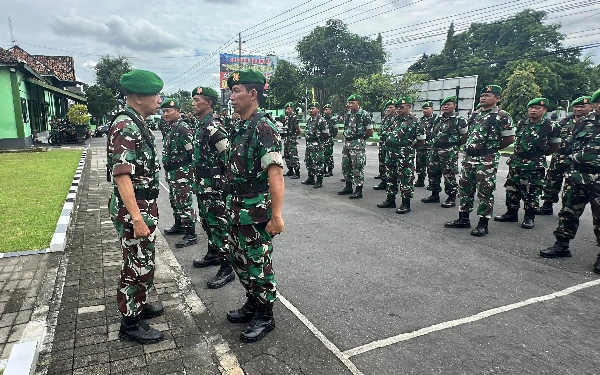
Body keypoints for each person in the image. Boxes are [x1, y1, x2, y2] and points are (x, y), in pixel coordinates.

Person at [225, 69, 285, 342]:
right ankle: (253, 301)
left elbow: (275, 174)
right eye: (231, 91)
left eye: (237, 91)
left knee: (258, 263)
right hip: (237, 205)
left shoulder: (264, 127)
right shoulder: (241, 125)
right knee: (239, 261)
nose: (232, 96)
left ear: (253, 94)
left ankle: (265, 313)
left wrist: (276, 216)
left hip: (256, 209)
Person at [107, 69, 164, 344]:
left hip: (144, 206)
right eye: (155, 94)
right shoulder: (125, 126)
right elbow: (121, 174)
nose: (160, 99)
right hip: (136, 210)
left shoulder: (136, 121)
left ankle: (138, 305)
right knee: (136, 263)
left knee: (145, 260)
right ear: (139, 97)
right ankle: (130, 322)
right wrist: (137, 218)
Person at [540, 88, 600, 274]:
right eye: (598, 103)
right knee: (568, 211)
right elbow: (568, 143)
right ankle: (562, 244)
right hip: (577, 175)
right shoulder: (584, 122)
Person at [444, 85, 514, 237]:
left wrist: (490, 149)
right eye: (482, 95)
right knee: (465, 188)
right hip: (470, 157)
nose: (483, 97)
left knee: (485, 190)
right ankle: (463, 218)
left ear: (497, 98)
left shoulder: (502, 115)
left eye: (488, 95)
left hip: (486, 159)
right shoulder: (475, 114)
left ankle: (483, 223)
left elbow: (509, 138)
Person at [189, 87, 235, 289]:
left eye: (197, 99)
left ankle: (227, 268)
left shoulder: (214, 127)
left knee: (219, 227)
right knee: (208, 224)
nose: (193, 103)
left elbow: (229, 158)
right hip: (203, 186)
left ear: (208, 103)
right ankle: (213, 253)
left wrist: (223, 185)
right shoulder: (201, 125)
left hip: (214, 189)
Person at [494, 98, 560, 229]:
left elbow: (555, 145)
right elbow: (517, 142)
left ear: (545, 110)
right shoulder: (522, 123)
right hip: (517, 162)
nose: (533, 110)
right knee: (512, 188)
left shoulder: (550, 126)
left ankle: (529, 217)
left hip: (535, 165)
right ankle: (511, 213)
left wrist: (539, 155)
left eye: (537, 108)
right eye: (531, 108)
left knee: (532, 191)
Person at [537, 96, 594, 215]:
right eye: (576, 107)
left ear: (590, 107)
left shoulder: (592, 123)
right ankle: (547, 205)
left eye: (582, 107)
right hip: (559, 156)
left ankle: (566, 210)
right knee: (551, 181)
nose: (578, 109)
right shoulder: (566, 120)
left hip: (575, 159)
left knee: (570, 186)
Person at [377, 97, 424, 213]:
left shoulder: (415, 120)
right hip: (391, 153)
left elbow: (421, 140)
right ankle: (390, 200)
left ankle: (405, 204)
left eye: (401, 107)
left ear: (409, 106)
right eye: (397, 107)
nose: (398, 110)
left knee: (405, 178)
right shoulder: (394, 119)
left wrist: (408, 148)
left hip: (405, 154)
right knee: (390, 177)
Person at [160, 99, 197, 248]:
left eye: (169, 111)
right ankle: (179, 224)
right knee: (175, 200)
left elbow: (192, 151)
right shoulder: (171, 127)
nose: (166, 114)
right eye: (163, 111)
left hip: (183, 172)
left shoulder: (183, 128)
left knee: (184, 202)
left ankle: (191, 234)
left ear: (177, 111)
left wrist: (189, 171)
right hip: (173, 172)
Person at [421, 95, 468, 207]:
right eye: (444, 105)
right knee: (433, 172)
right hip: (435, 149)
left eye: (448, 104)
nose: (445, 107)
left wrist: (454, 146)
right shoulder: (438, 118)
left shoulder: (459, 120)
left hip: (449, 150)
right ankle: (434, 194)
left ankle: (451, 197)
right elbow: (433, 133)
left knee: (449, 173)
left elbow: (464, 135)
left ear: (454, 106)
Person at [338, 94, 374, 199]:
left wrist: (360, 140)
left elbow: (370, 131)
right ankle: (348, 187)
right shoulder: (348, 114)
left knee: (357, 166)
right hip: (347, 144)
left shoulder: (364, 114)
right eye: (349, 103)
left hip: (357, 144)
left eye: (352, 103)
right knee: (346, 166)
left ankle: (358, 190)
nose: (350, 105)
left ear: (358, 103)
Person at [301, 102, 330, 188]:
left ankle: (319, 180)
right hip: (309, 145)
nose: (311, 110)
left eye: (313, 108)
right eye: (310, 108)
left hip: (317, 145)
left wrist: (320, 142)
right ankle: (311, 178)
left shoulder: (321, 120)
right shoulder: (310, 119)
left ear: (318, 109)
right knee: (309, 162)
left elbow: (326, 134)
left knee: (318, 163)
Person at [373, 100, 396, 191]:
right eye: (387, 108)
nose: (389, 109)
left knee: (391, 166)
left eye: (391, 107)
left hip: (392, 147)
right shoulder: (385, 119)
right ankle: (383, 181)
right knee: (382, 164)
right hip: (383, 145)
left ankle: (392, 183)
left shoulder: (398, 119)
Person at [415, 101, 438, 187]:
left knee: (431, 166)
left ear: (432, 109)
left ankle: (432, 184)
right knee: (420, 164)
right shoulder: (420, 120)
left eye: (427, 109)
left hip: (430, 146)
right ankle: (420, 180)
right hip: (421, 145)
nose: (425, 110)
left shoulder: (436, 119)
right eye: (423, 109)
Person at [283, 102, 301, 179]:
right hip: (287, 139)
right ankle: (290, 170)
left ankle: (297, 172)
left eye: (288, 109)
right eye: (286, 109)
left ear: (292, 109)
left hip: (291, 139)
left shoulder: (294, 118)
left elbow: (298, 130)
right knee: (287, 156)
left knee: (293, 156)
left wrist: (294, 137)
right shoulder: (287, 118)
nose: (287, 110)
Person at [322, 104, 338, 177]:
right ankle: (324, 169)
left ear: (330, 110)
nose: (326, 111)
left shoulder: (333, 119)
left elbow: (335, 129)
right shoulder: (322, 119)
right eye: (325, 110)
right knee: (323, 155)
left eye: (327, 109)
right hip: (323, 139)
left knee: (329, 155)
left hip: (329, 138)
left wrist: (332, 136)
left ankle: (330, 170)